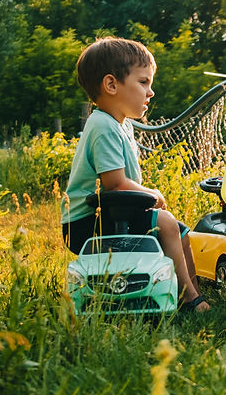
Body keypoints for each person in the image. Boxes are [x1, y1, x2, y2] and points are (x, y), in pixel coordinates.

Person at [60, 36, 209, 312]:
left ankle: (191, 293)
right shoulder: (102, 126)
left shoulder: (121, 124)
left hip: (114, 210)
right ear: (111, 85)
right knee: (164, 223)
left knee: (180, 232)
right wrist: (152, 194)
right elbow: (115, 184)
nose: (150, 92)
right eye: (143, 82)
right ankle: (190, 298)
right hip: (86, 222)